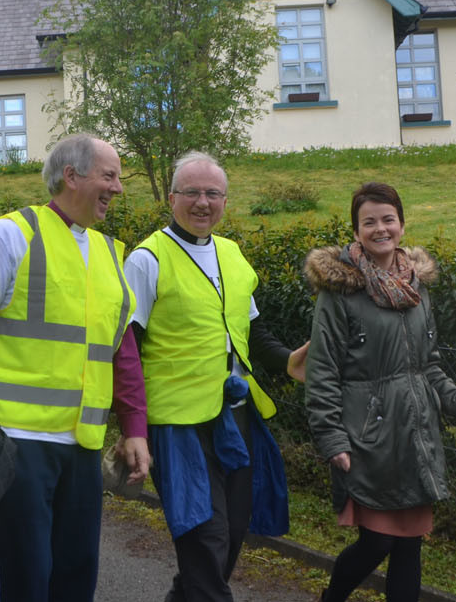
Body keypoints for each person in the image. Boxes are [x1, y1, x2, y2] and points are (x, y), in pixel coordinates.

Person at [0, 134, 151, 602]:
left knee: (76, 576)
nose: (119, 188)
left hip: (82, 445)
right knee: (25, 578)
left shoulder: (113, 254)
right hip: (16, 443)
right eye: (109, 176)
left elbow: (122, 351)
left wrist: (135, 428)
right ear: (71, 176)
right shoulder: (10, 234)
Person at [125, 152, 308, 602]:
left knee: (233, 531)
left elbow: (251, 329)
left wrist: (286, 360)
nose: (202, 202)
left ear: (225, 200)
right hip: (178, 423)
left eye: (212, 193)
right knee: (204, 533)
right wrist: (133, 426)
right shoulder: (147, 259)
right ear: (171, 198)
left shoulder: (232, 253)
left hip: (235, 413)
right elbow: (125, 347)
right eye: (192, 192)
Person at [304, 182, 456, 602]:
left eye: (387, 219)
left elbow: (427, 367)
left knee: (409, 545)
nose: (380, 229)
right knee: (377, 543)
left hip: (415, 438)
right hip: (369, 440)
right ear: (356, 231)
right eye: (368, 221)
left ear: (402, 225)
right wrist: (332, 438)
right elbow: (322, 373)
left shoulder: (417, 287)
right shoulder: (339, 293)